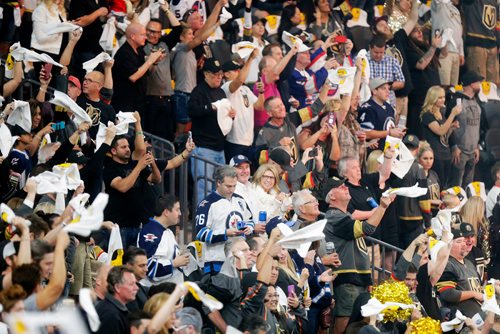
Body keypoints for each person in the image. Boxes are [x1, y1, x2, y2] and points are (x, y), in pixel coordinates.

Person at [323, 177, 395, 334]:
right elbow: (368, 228)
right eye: (340, 187)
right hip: (348, 279)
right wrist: (382, 207)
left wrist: (367, 278)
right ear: (332, 197)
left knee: (357, 323)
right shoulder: (333, 217)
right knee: (345, 320)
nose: (345, 187)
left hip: (358, 279)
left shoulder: (344, 216)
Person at [103, 116, 154, 248]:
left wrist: (138, 124)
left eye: (128, 146)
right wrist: (139, 167)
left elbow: (141, 150)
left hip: (137, 225)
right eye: (123, 147)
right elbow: (122, 187)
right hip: (118, 227)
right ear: (113, 151)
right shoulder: (110, 168)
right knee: (118, 266)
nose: (128, 149)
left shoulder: (133, 163)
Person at [194, 166, 253, 275]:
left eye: (234, 186)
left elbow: (250, 220)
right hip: (216, 259)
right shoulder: (207, 204)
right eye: (228, 186)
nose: (231, 189)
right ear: (218, 183)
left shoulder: (240, 200)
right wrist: (225, 233)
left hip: (240, 258)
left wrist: (249, 228)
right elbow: (200, 233)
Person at [188, 58, 230, 201]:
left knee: (220, 190)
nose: (218, 78)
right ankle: (202, 221)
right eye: (215, 75)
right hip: (204, 148)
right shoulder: (198, 91)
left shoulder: (221, 92)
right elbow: (191, 110)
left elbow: (224, 117)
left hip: (220, 148)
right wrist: (209, 107)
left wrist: (231, 115)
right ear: (206, 74)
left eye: (220, 74)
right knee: (204, 189)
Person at [142, 12, 181, 140]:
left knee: (166, 136)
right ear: (145, 30)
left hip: (167, 98)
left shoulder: (164, 44)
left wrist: (166, 10)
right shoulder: (140, 45)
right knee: (150, 135)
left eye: (156, 32)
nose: (152, 34)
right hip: (150, 99)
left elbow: (177, 29)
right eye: (150, 31)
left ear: (160, 33)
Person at [112, 22, 164, 116]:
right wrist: (150, 61)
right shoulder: (124, 53)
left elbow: (144, 71)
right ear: (133, 36)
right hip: (125, 104)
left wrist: (154, 62)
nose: (146, 37)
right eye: (142, 35)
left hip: (139, 101)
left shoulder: (139, 50)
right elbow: (133, 76)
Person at [221, 50, 265, 160]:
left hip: (249, 141)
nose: (239, 72)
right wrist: (250, 58)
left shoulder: (245, 89)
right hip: (234, 141)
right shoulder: (226, 87)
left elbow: (259, 106)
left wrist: (261, 92)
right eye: (235, 70)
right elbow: (240, 80)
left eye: (239, 70)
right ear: (226, 74)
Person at [138, 194, 189, 285]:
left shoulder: (167, 231)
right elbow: (148, 267)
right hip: (157, 294)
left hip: (169, 292)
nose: (180, 213)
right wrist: (174, 263)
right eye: (177, 210)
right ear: (166, 212)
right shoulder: (151, 232)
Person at [436, 223, 484, 318]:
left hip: (481, 315)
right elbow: (447, 294)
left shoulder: (469, 263)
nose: (464, 244)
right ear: (449, 245)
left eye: (463, 241)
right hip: (463, 321)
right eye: (458, 242)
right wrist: (473, 294)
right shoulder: (447, 264)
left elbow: (479, 290)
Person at [420, 85, 461, 188]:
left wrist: (451, 127)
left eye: (443, 97)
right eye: (440, 97)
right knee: (437, 185)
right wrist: (452, 114)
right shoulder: (427, 115)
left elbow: (444, 135)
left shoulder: (441, 114)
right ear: (432, 98)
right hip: (435, 155)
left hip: (445, 153)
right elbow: (440, 131)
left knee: (444, 185)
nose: (443, 99)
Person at [447, 71, 483, 188]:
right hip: (459, 151)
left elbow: (479, 126)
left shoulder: (477, 102)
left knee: (468, 185)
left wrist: (477, 146)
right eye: (478, 82)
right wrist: (453, 146)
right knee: (455, 186)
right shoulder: (456, 100)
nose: (481, 84)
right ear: (471, 84)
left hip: (473, 151)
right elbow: (449, 124)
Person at [357, 77, 405, 153]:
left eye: (388, 88)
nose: (387, 91)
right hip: (374, 155)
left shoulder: (389, 107)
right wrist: (389, 132)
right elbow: (366, 133)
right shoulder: (367, 108)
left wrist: (397, 132)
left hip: (389, 152)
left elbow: (391, 126)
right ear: (374, 91)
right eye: (383, 89)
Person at [462, 0, 498, 83]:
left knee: (492, 85)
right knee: (478, 82)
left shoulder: (494, 2)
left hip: (492, 44)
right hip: (476, 43)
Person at [95, 266, 139, 334]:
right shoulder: (111, 315)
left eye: (135, 283)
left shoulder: (113, 309)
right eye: (131, 284)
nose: (136, 288)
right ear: (117, 287)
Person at [431, 0, 464, 87]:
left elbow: (459, 32)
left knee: (454, 88)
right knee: (444, 86)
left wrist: (461, 52)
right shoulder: (439, 5)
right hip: (444, 52)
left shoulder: (456, 10)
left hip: (456, 53)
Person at [77, 70, 117, 139]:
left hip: (97, 147)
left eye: (89, 80)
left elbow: (112, 134)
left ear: (99, 86)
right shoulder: (77, 99)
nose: (84, 83)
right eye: (85, 79)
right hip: (75, 140)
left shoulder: (108, 109)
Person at [122, 247, 149, 312]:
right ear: (128, 266)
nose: (146, 269)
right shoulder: (125, 291)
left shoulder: (141, 287)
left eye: (146, 265)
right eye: (141, 266)